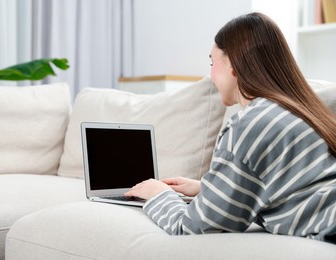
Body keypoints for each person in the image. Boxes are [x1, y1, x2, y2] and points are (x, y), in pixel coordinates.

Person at [124, 12, 336, 243]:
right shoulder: (302, 109)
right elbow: (296, 183)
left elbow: (192, 228)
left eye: (212, 62)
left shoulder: (249, 125)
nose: (211, 73)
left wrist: (158, 194)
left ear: (233, 64)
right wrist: (209, 187)